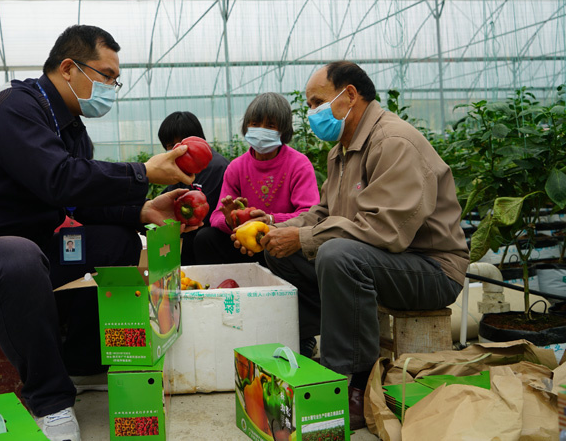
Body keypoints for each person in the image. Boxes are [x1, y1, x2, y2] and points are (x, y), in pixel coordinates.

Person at [0, 25, 197, 441]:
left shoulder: (72, 132)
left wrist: (142, 209)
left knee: (115, 241)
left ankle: (80, 361)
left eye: (117, 79)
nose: (113, 87)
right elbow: (57, 179)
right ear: (69, 68)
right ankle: (51, 402)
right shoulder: (12, 107)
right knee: (16, 256)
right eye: (106, 75)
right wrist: (142, 172)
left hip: (26, 257)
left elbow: (78, 203)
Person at [239, 61, 467, 430]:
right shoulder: (341, 150)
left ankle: (355, 381)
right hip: (382, 262)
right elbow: (322, 213)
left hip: (430, 268)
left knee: (334, 253)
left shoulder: (393, 142)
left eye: (317, 102)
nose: (311, 113)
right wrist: (275, 229)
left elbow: (385, 229)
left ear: (349, 96)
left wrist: (304, 237)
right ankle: (316, 343)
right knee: (280, 250)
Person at [194, 92, 320, 268]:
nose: (262, 130)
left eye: (270, 125)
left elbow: (310, 214)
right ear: (246, 127)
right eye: (255, 124)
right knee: (206, 238)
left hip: (282, 243)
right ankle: (219, 290)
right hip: (245, 243)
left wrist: (270, 220)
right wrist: (231, 220)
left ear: (283, 130)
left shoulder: (299, 165)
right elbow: (216, 217)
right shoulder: (237, 167)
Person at [157, 111, 230, 264]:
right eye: (169, 146)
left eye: (177, 144)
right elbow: (168, 198)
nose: (174, 150)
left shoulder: (216, 167)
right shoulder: (183, 168)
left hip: (210, 238)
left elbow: (202, 214)